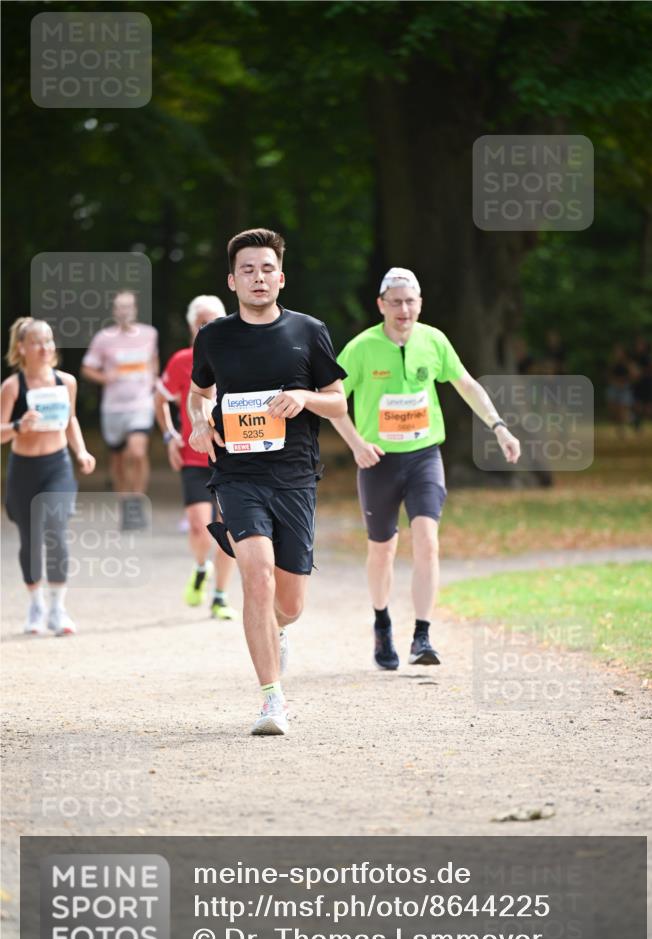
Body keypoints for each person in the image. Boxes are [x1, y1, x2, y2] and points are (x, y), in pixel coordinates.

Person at [187, 228, 347, 735]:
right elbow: (198, 394)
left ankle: (278, 631)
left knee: (290, 602)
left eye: (267, 269)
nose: (258, 278)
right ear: (232, 280)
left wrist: (304, 398)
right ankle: (271, 700)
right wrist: (197, 421)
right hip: (237, 474)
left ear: (281, 276)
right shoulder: (214, 336)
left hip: (295, 475)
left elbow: (339, 401)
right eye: (248, 270)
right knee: (256, 575)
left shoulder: (308, 330)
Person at [331, 267, 521, 671]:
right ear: (381, 305)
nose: (404, 309)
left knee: (427, 541)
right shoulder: (361, 348)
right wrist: (356, 444)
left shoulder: (434, 341)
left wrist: (499, 427)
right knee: (382, 549)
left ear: (420, 304)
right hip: (378, 461)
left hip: (424, 456)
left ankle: (422, 634)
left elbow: (467, 384)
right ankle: (382, 622)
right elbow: (331, 399)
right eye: (395, 302)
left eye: (410, 301)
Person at [0, 317, 96, 635]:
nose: (45, 348)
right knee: (30, 538)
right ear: (21, 348)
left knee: (56, 531)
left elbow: (70, 420)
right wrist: (17, 426)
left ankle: (58, 608)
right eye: (37, 342)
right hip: (24, 469)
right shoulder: (13, 386)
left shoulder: (65, 382)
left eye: (49, 341)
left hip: (58, 467)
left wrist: (80, 452)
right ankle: (35, 604)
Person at [154, 294, 238, 620]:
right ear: (192, 327)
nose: (209, 327)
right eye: (203, 322)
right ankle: (201, 567)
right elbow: (159, 400)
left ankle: (220, 596)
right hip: (193, 457)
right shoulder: (180, 361)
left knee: (229, 529)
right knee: (198, 528)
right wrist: (169, 436)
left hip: (231, 458)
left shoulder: (236, 356)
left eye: (215, 321)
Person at [81, 289, 158, 529]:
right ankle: (124, 502)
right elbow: (87, 368)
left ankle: (136, 503)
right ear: (114, 311)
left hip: (140, 403)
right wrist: (106, 377)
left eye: (129, 307)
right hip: (113, 408)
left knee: (137, 452)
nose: (124, 311)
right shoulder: (104, 338)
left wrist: (153, 380)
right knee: (117, 459)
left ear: (135, 309)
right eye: (120, 307)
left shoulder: (149, 334)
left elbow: (153, 361)